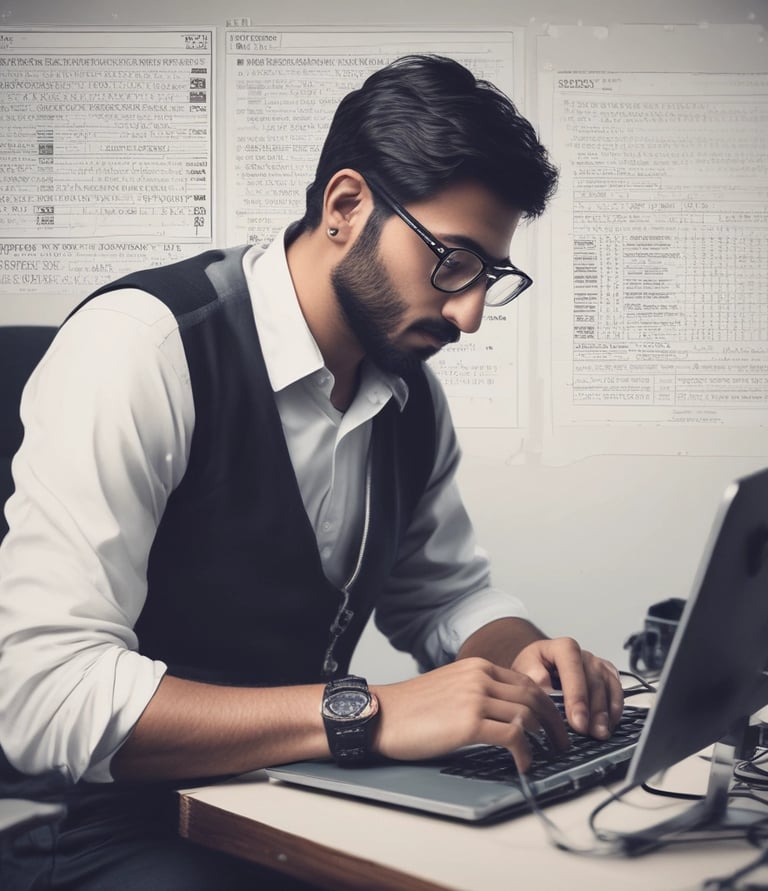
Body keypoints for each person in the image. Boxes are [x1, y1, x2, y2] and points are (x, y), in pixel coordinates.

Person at [0, 54, 623, 889]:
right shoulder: (142, 348)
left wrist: (527, 658)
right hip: (100, 825)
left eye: (491, 276)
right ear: (346, 205)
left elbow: (445, 595)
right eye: (453, 261)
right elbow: (44, 694)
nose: (471, 312)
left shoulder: (409, 395)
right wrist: (376, 711)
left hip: (291, 796)